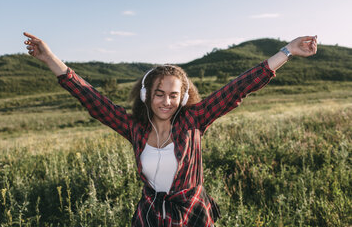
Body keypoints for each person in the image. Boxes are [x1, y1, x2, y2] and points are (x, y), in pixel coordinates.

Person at [23, 32, 317, 226]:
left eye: (173, 95)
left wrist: (287, 51)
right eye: (159, 93)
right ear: (146, 96)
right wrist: (49, 58)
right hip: (151, 215)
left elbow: (239, 87)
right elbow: (90, 97)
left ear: (184, 97)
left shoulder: (195, 120)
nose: (166, 101)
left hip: (193, 213)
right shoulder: (134, 128)